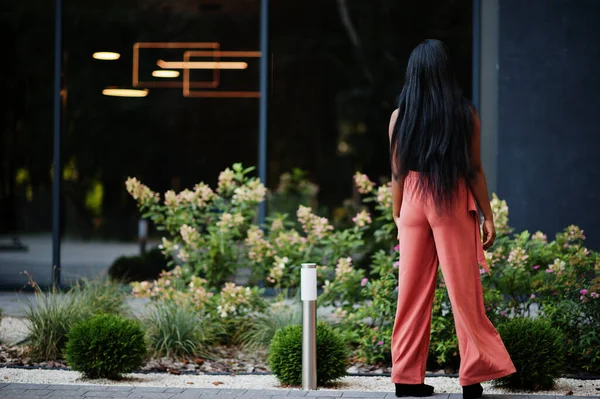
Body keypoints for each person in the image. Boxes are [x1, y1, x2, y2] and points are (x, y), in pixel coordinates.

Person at [388, 39, 516, 399]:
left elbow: (398, 173)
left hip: (412, 200)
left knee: (411, 294)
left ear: (413, 75)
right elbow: (474, 169)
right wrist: (487, 215)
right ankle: (472, 379)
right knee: (464, 292)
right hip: (451, 197)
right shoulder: (464, 113)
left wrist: (398, 215)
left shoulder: (400, 117)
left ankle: (405, 381)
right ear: (446, 72)